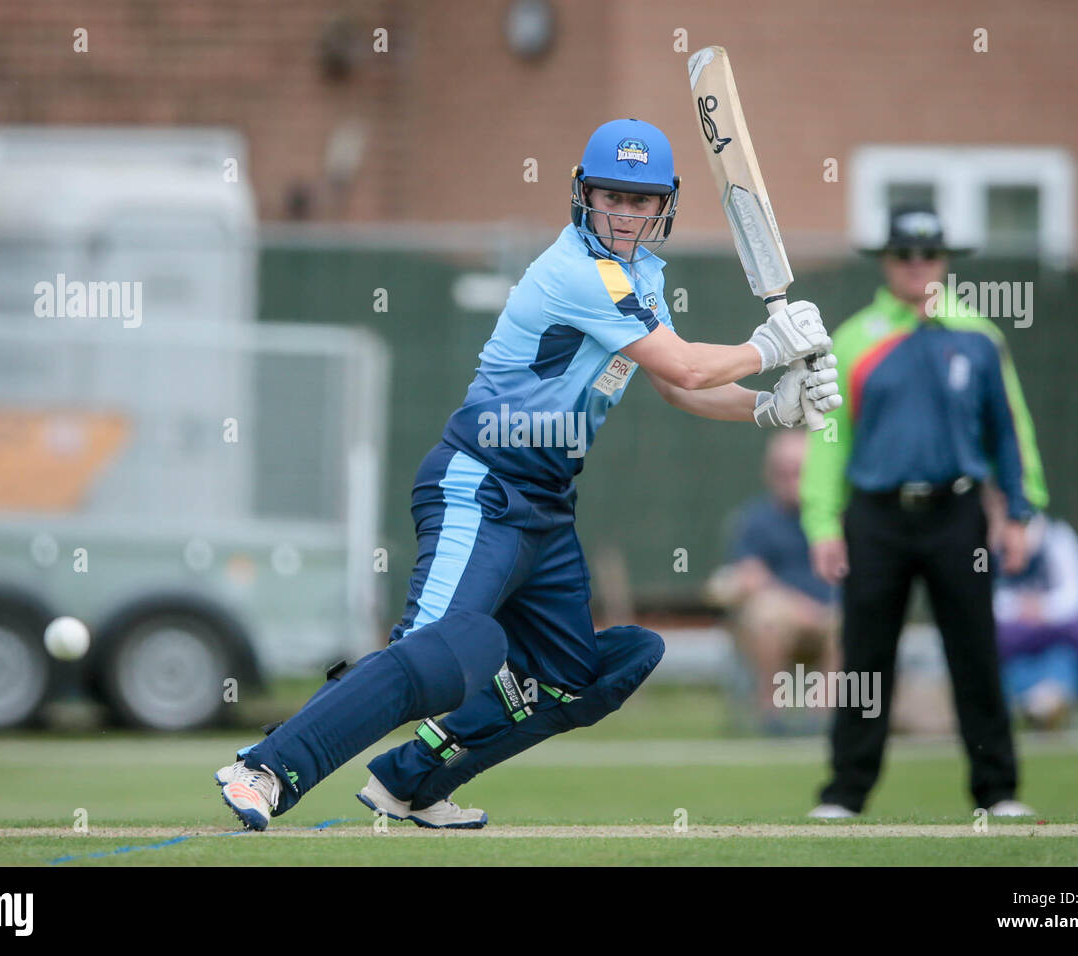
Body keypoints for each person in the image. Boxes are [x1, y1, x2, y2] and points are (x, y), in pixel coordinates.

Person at [214, 118, 842, 830]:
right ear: (583, 195)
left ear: (663, 205)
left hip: (545, 504)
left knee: (586, 672)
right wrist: (766, 347)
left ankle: (410, 782)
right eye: (612, 196)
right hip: (480, 484)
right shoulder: (577, 271)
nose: (625, 215)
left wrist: (770, 410)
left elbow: (677, 386)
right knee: (439, 656)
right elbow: (689, 365)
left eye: (640, 202)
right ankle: (265, 767)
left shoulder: (642, 275)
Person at [800, 204, 1048, 819]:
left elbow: (1008, 433)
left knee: (975, 652)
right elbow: (829, 439)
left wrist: (1021, 511)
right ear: (887, 262)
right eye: (905, 255)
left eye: (928, 255)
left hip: (956, 515)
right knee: (865, 656)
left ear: (944, 261)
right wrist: (823, 522)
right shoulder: (855, 338)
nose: (917, 266)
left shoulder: (980, 337)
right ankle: (846, 793)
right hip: (876, 518)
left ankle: (998, 790)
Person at [708, 430, 838, 731]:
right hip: (782, 622)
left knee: (851, 621)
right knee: (764, 614)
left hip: (834, 619)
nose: (790, 480)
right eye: (782, 472)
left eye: (798, 472)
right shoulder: (755, 520)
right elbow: (749, 577)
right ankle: (771, 715)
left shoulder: (840, 516)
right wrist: (800, 609)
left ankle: (822, 719)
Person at [982, 484, 1078, 729]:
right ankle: (1026, 698)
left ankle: (1052, 697)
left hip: (1054, 630)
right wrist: (1018, 608)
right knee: (995, 640)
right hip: (1010, 636)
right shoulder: (983, 548)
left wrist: (1043, 609)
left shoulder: (1056, 537)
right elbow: (978, 599)